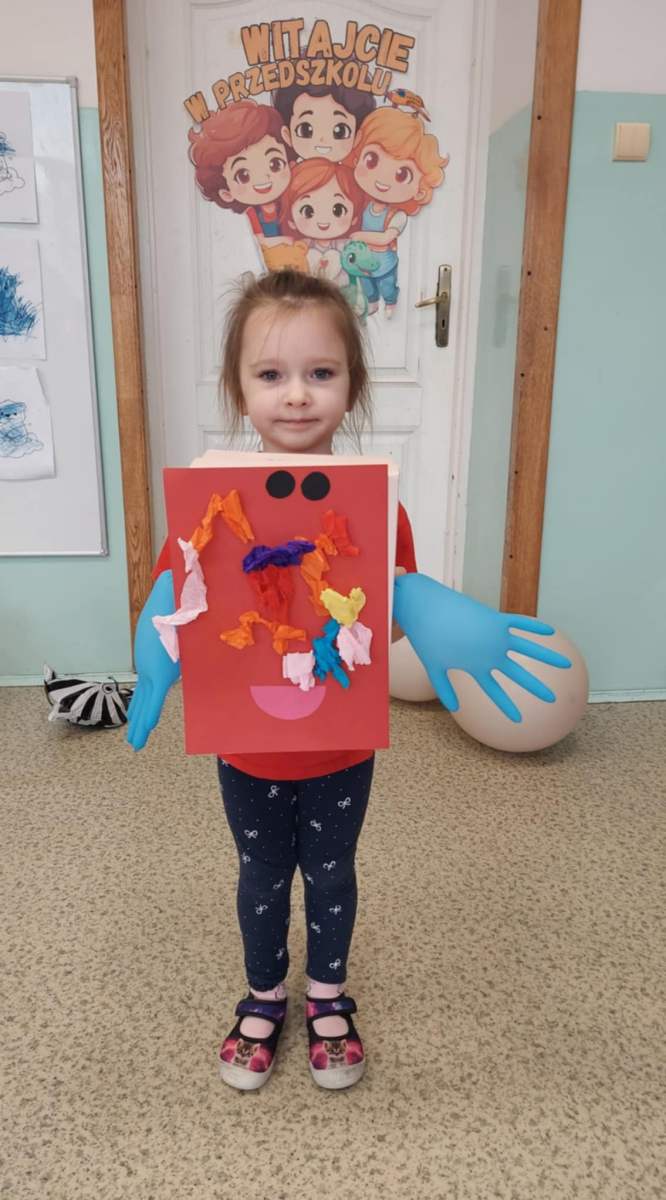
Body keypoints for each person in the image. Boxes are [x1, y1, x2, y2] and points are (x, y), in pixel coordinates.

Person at [128, 270, 418, 1093]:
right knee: (260, 872)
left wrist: (400, 612)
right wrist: (154, 662)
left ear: (352, 385)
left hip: (339, 744)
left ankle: (327, 997)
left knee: (331, 871)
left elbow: (393, 621)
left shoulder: (378, 505)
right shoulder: (208, 504)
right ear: (239, 389)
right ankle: (264, 998)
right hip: (248, 744)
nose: (296, 394)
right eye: (271, 374)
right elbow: (177, 604)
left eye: (321, 372)